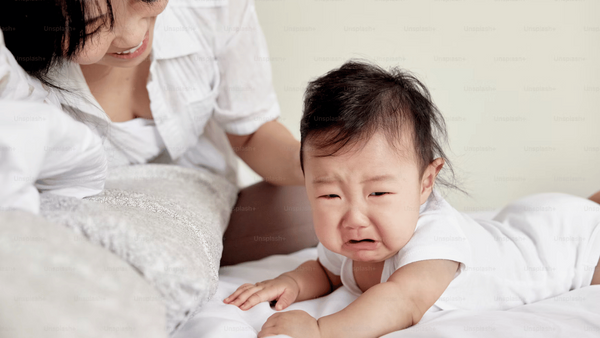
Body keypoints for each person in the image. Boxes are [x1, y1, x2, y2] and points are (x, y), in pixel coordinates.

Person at [223, 60, 600, 338]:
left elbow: (400, 302)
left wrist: (320, 330)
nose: (354, 216)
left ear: (425, 183)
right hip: (520, 222)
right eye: (330, 194)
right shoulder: (353, 236)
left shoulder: (436, 242)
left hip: (566, 244)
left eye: (380, 193)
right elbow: (325, 271)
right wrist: (291, 282)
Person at [0, 0, 317, 263]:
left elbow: (252, 134)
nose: (132, 36)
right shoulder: (13, 73)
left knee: (333, 200)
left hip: (214, 213)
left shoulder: (211, 8)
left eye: (145, 0)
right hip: (98, 239)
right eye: (92, 27)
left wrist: (318, 161)